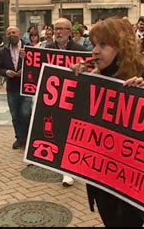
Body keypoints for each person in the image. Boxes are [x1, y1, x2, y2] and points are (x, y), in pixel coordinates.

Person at [72, 17, 144, 227]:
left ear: (121, 47)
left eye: (103, 45)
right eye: (93, 44)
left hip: (132, 182)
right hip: (101, 180)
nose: (95, 51)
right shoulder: (95, 78)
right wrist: (77, 84)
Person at [46, 17, 87, 187]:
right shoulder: (47, 49)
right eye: (56, 28)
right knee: (57, 131)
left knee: (71, 132)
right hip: (53, 99)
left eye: (62, 29)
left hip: (73, 99)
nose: (58, 32)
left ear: (70, 32)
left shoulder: (79, 50)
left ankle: (69, 170)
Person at [0, 26, 32, 151]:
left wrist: (27, 61)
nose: (11, 35)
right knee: (15, 114)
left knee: (26, 113)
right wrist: (6, 72)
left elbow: (36, 64)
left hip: (26, 86)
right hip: (12, 87)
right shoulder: (3, 51)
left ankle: (28, 138)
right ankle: (19, 138)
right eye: (9, 33)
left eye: (14, 32)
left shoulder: (29, 48)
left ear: (19, 34)